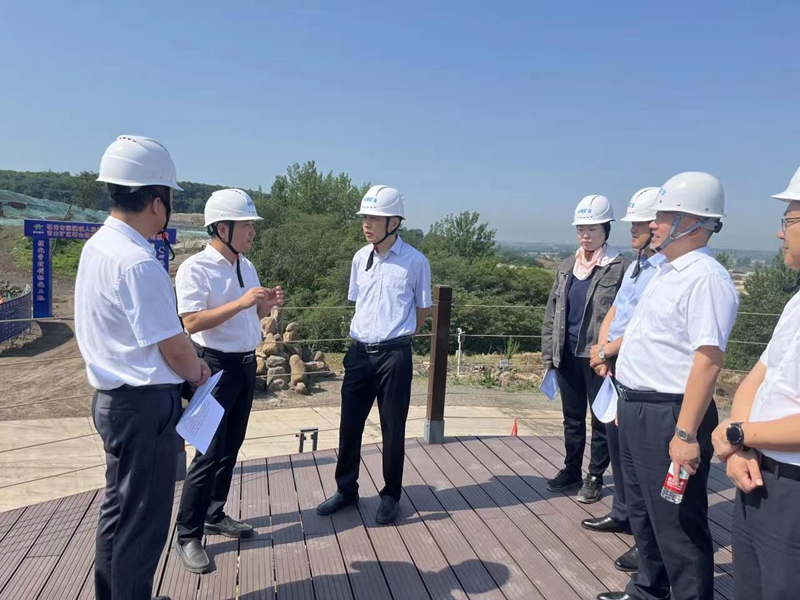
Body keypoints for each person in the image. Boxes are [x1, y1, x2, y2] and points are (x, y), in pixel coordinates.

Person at [75, 135, 210, 600]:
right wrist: (197, 370)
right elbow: (174, 347)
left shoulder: (98, 247)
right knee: (144, 524)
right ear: (157, 201)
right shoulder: (138, 262)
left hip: (114, 402)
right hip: (144, 408)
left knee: (119, 514)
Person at [599, 172, 739, 600]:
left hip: (671, 413)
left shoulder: (706, 278)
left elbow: (707, 360)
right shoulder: (664, 271)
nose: (652, 224)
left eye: (663, 216)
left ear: (693, 222)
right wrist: (627, 399)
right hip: (637, 406)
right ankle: (649, 588)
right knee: (643, 510)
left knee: (678, 522)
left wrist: (685, 433)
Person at [173, 189, 284, 572]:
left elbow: (250, 316)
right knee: (207, 453)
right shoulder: (195, 268)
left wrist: (265, 305)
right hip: (213, 368)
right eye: (246, 225)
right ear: (223, 229)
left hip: (244, 365)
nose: (253, 231)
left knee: (231, 446)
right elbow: (191, 322)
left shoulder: (245, 265)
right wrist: (241, 302)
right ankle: (187, 535)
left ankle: (214, 514)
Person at [316, 185, 432, 525]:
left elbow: (423, 308)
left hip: (394, 355)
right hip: (358, 353)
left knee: (392, 427)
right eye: (365, 218)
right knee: (349, 424)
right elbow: (360, 303)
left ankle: (391, 494)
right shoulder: (359, 258)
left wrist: (400, 334)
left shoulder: (415, 262)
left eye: (374, 218)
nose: (366, 224)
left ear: (393, 222)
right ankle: (346, 490)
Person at [711, 165, 800, 600]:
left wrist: (736, 434)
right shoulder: (797, 302)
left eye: (789, 219)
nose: (780, 233)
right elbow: (757, 377)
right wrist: (741, 447)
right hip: (758, 475)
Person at [582, 187, 665, 573]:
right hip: (616, 365)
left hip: (634, 365)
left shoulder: (663, 270)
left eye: (640, 224)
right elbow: (617, 309)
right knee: (619, 449)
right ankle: (623, 513)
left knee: (639, 464)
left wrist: (606, 351)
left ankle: (645, 539)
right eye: (632, 223)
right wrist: (602, 347)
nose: (634, 229)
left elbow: (643, 325)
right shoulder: (637, 265)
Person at [541, 195, 630, 503]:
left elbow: (626, 317)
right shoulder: (568, 266)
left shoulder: (620, 267)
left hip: (598, 357)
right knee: (572, 417)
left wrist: (611, 355)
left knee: (601, 418)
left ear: (606, 229)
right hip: (566, 353)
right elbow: (552, 312)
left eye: (592, 229)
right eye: (581, 229)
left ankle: (595, 475)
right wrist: (549, 355)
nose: (585, 235)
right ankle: (571, 470)